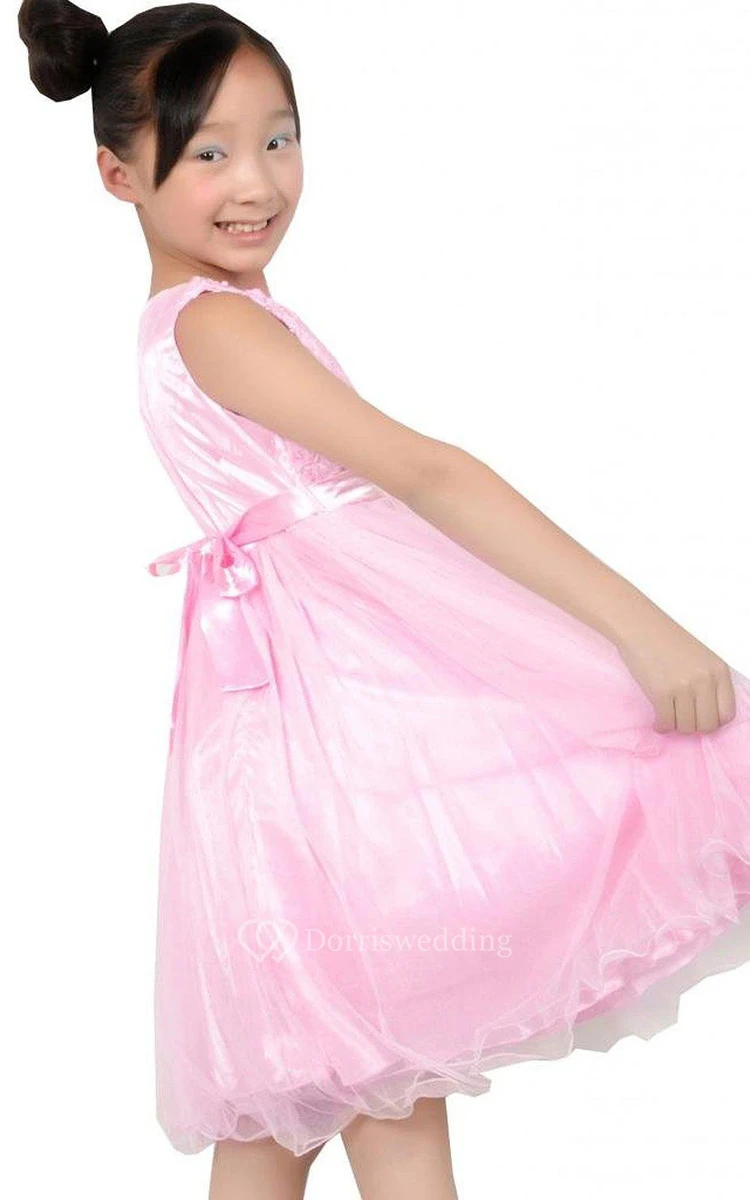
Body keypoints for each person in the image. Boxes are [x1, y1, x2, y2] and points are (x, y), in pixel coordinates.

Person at [18, 2, 750, 1198]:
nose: (256, 182)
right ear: (119, 175)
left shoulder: (211, 321)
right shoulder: (213, 326)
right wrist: (641, 627)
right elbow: (428, 473)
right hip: (331, 753)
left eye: (279, 138)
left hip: (287, 750)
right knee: (367, 1075)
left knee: (325, 1091)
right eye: (208, 152)